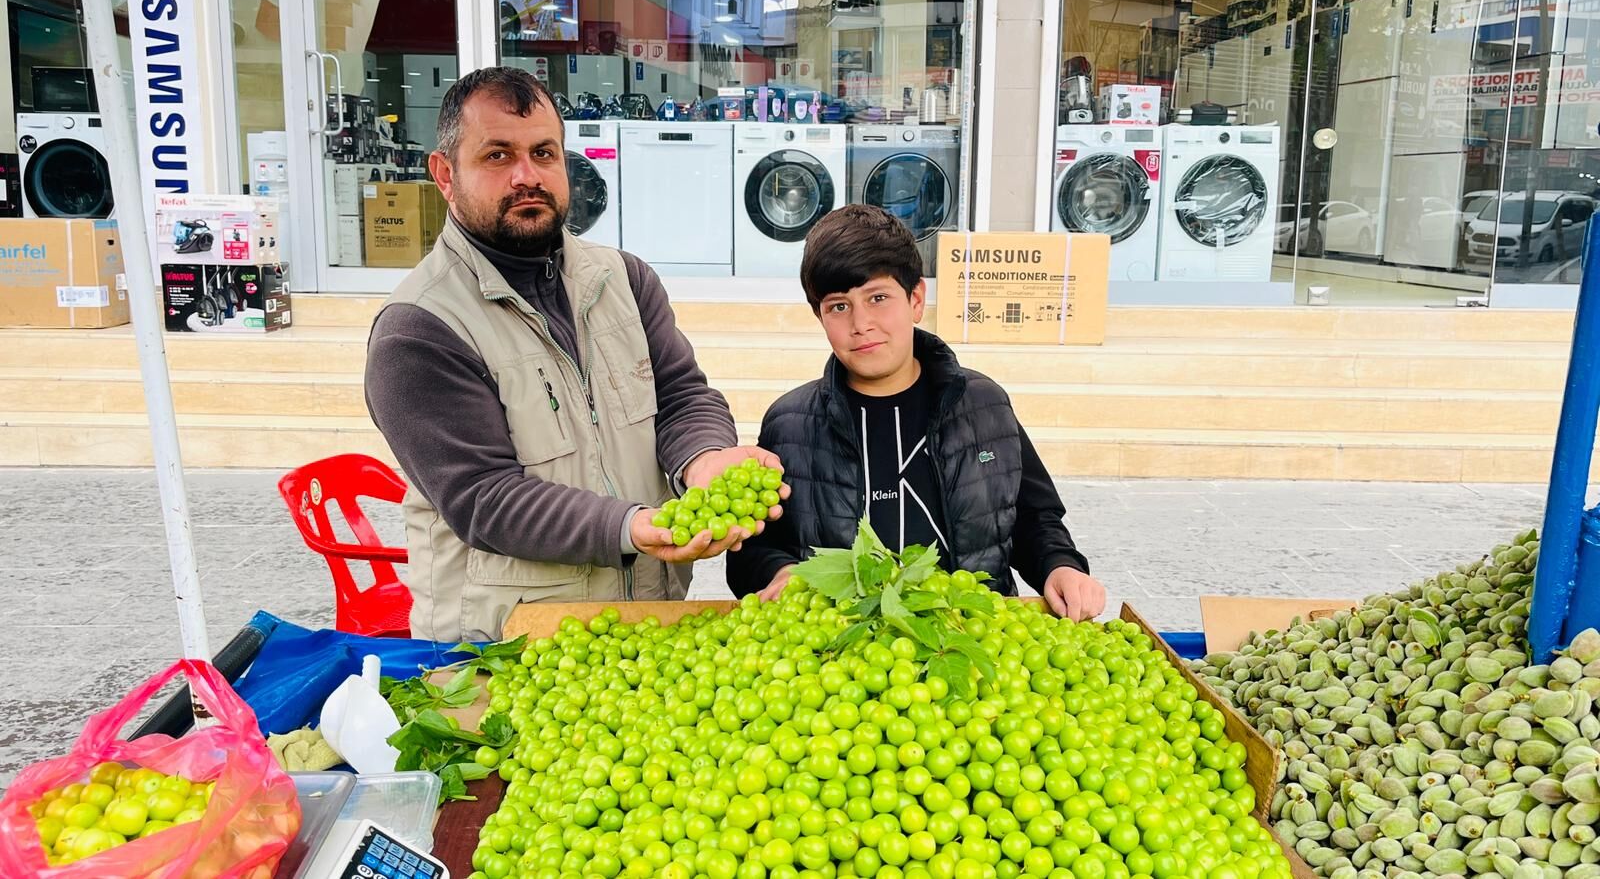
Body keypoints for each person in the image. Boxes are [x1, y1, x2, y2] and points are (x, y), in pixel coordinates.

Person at [365, 67, 782, 642]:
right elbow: (484, 497)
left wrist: (704, 460)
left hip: (643, 623)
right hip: (504, 645)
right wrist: (633, 527)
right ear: (444, 174)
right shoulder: (420, 329)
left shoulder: (623, 280)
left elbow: (683, 395)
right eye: (497, 156)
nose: (526, 176)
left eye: (544, 152)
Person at [725, 205, 1106, 620]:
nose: (861, 323)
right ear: (819, 317)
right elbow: (754, 548)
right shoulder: (789, 423)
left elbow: (1034, 518)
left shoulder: (984, 405)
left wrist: (1060, 566)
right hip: (840, 658)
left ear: (916, 299)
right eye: (838, 306)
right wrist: (779, 572)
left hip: (971, 646)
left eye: (878, 298)